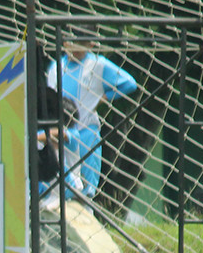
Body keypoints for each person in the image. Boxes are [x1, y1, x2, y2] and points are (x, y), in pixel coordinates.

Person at [46, 26, 138, 198]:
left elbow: (129, 83)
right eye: (75, 43)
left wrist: (105, 97)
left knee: (87, 190)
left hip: (87, 132)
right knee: (59, 185)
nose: (79, 48)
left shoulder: (97, 64)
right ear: (65, 43)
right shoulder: (56, 67)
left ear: (90, 45)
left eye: (84, 44)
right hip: (62, 135)